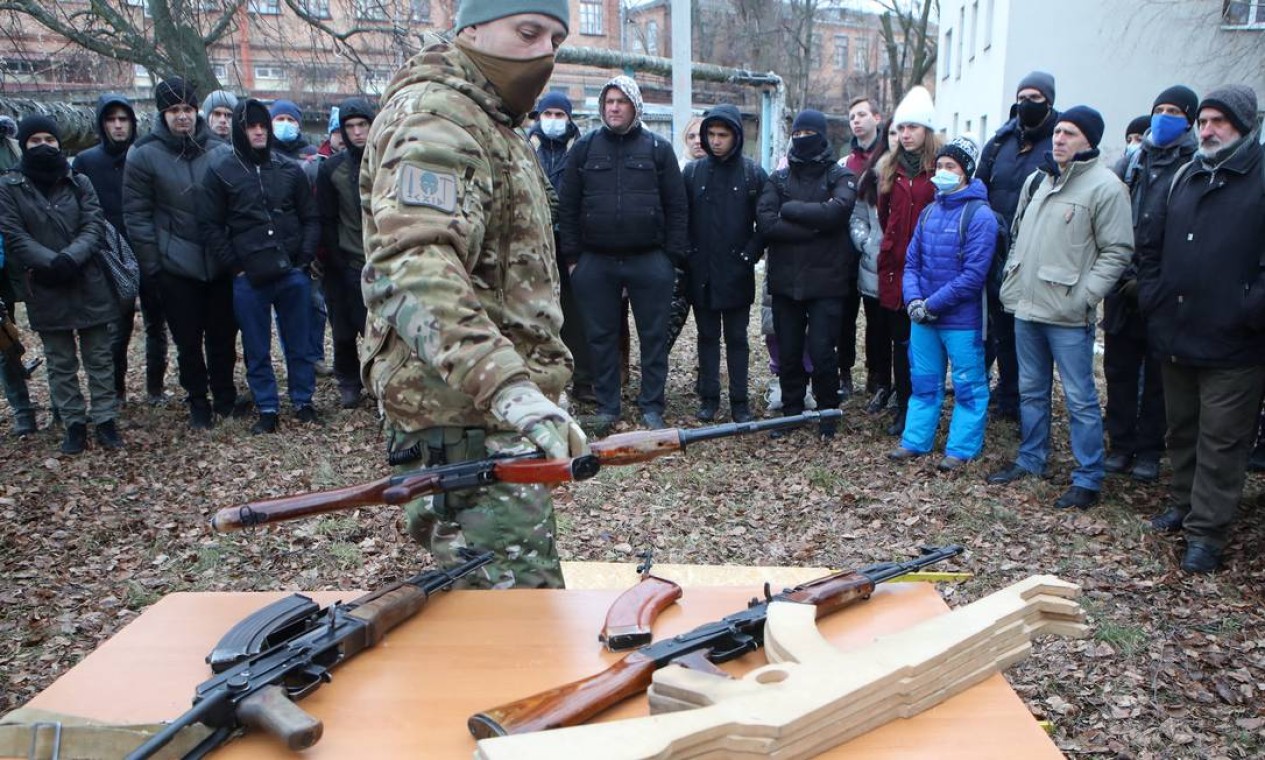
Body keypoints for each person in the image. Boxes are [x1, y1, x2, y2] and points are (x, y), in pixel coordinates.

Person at [360, 1, 583, 589]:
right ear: (472, 30)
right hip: (462, 420)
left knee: (512, 617)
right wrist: (507, 383)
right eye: (528, 31)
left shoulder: (493, 123)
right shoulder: (439, 119)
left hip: (487, 415)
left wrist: (533, 385)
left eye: (555, 40)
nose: (544, 53)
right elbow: (415, 262)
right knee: (511, 625)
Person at [1137, 86, 1265, 573]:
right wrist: (1153, 297)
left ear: (1244, 125)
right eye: (1204, 122)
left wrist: (1249, 309)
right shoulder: (1186, 174)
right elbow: (1150, 243)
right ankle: (1183, 504)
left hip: (1236, 342)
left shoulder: (1258, 175)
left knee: (1223, 440)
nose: (1207, 131)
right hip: (1177, 329)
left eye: (1218, 122)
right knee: (1183, 429)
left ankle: (1207, 534)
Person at [988, 106, 1133, 509]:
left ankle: (1088, 477)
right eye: (1058, 132)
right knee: (1032, 390)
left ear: (1090, 141)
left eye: (1069, 133)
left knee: (1080, 398)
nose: (1059, 138)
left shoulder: (1105, 187)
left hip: (1068, 314)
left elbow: (1118, 250)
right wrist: (1013, 282)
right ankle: (1032, 457)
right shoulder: (1038, 180)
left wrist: (1087, 295)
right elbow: (1018, 236)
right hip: (1027, 307)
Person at [559, 75, 688, 431]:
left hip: (649, 260)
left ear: (635, 105)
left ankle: (651, 405)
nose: (614, 108)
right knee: (600, 337)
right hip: (595, 261)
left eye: (621, 101)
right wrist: (573, 259)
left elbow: (677, 207)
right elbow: (567, 207)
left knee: (653, 336)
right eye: (608, 102)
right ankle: (608, 406)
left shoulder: (658, 150)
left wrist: (670, 260)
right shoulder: (584, 150)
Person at [0, 116, 119, 454]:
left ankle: (106, 419)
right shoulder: (9, 188)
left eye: (49, 140)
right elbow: (13, 233)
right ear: (23, 144)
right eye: (35, 139)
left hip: (87, 279)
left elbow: (94, 224)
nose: (43, 146)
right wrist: (50, 262)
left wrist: (71, 257)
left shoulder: (80, 182)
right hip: (44, 284)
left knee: (99, 355)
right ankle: (74, 424)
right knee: (60, 360)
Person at [200, 99, 320, 435]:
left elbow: (310, 216)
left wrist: (303, 260)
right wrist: (235, 267)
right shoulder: (221, 171)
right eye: (251, 126)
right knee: (256, 346)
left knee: (299, 341)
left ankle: (303, 400)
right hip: (249, 276)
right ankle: (267, 406)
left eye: (262, 125)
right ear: (240, 130)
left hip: (291, 271)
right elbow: (210, 225)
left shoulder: (288, 169)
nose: (259, 132)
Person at [124, 77, 238, 429]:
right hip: (175, 265)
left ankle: (224, 395)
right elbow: (137, 215)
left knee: (222, 337)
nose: (182, 116)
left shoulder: (220, 150)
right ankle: (197, 399)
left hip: (218, 262)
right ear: (163, 114)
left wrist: (233, 256)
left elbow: (235, 206)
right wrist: (154, 266)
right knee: (188, 342)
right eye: (174, 110)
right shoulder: (144, 154)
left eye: (187, 108)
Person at [1102, 85, 1199, 483]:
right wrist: (1122, 274)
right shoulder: (1132, 161)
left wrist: (1154, 282)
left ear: (1188, 118)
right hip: (1122, 283)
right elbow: (1110, 218)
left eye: (1173, 110)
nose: (1163, 116)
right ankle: (1120, 444)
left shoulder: (1194, 163)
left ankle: (1148, 450)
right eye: (1159, 108)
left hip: (1165, 289)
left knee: (1159, 377)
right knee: (1119, 370)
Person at [888, 136, 995, 470]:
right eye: (941, 165)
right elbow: (912, 263)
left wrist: (931, 303)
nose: (943, 171)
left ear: (966, 172)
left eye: (952, 166)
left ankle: (960, 449)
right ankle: (915, 441)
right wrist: (914, 299)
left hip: (961, 321)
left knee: (968, 386)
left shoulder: (980, 216)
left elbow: (973, 275)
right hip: (924, 318)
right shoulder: (930, 212)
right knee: (923, 381)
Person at [756, 108, 857, 440]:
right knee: (788, 352)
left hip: (827, 282)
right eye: (796, 135)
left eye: (808, 134)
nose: (802, 140)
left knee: (823, 350)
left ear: (822, 135)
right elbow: (767, 222)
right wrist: (816, 227)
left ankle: (828, 412)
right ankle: (791, 412)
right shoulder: (779, 178)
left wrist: (792, 210)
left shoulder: (838, 174)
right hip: (786, 282)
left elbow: (839, 211)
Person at [72, 93, 169, 407]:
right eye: (111, 119)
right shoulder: (87, 161)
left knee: (157, 324)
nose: (118, 125)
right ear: (102, 123)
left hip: (150, 249)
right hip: (110, 255)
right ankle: (116, 391)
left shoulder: (147, 154)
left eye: (123, 119)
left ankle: (155, 388)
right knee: (118, 327)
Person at [977, 72, 1061, 423]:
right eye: (1022, 96)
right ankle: (1003, 394)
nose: (1026, 103)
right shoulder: (1000, 141)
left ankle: (1025, 401)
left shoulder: (1058, 141)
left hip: (1037, 252)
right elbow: (980, 185)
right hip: (995, 249)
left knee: (1026, 334)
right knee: (996, 328)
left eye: (1035, 97)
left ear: (1049, 101)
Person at [683, 104, 767, 424]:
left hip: (736, 272)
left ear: (736, 137)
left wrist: (749, 254)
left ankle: (739, 401)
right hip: (701, 271)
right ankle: (709, 398)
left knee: (737, 338)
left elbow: (766, 220)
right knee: (706, 337)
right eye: (712, 134)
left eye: (723, 135)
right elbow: (682, 217)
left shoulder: (751, 173)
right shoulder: (693, 173)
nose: (716, 141)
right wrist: (688, 255)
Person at [877, 86, 941, 437]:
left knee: (926, 346)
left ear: (927, 130)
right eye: (901, 128)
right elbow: (885, 216)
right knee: (900, 346)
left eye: (913, 127)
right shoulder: (889, 168)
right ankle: (903, 408)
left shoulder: (941, 169)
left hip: (932, 269)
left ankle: (925, 408)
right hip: (896, 270)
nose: (905, 135)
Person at [527, 91, 593, 405]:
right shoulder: (525, 146)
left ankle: (583, 380)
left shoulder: (581, 148)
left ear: (569, 118)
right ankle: (538, 378)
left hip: (572, 244)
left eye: (559, 114)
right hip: (532, 243)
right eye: (548, 114)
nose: (553, 120)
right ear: (538, 116)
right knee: (534, 313)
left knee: (576, 315)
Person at [316, 97, 375, 408]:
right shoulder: (331, 169)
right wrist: (333, 261)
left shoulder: (386, 166)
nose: (357, 132)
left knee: (378, 330)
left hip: (380, 261)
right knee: (342, 330)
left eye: (362, 125)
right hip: (343, 262)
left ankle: (379, 382)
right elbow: (325, 217)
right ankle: (348, 382)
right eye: (350, 126)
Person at [835, 97, 883, 399]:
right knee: (844, 317)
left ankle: (877, 376)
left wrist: (870, 243)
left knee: (877, 320)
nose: (856, 120)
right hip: (846, 253)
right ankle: (844, 372)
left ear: (876, 117)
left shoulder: (887, 157)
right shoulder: (845, 163)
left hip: (877, 252)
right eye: (852, 116)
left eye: (862, 114)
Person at [850, 121, 895, 415]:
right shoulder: (872, 176)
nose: (899, 137)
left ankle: (903, 390)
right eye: (892, 132)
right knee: (877, 331)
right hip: (874, 268)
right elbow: (857, 218)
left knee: (902, 334)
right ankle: (879, 383)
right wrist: (869, 246)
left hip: (906, 270)